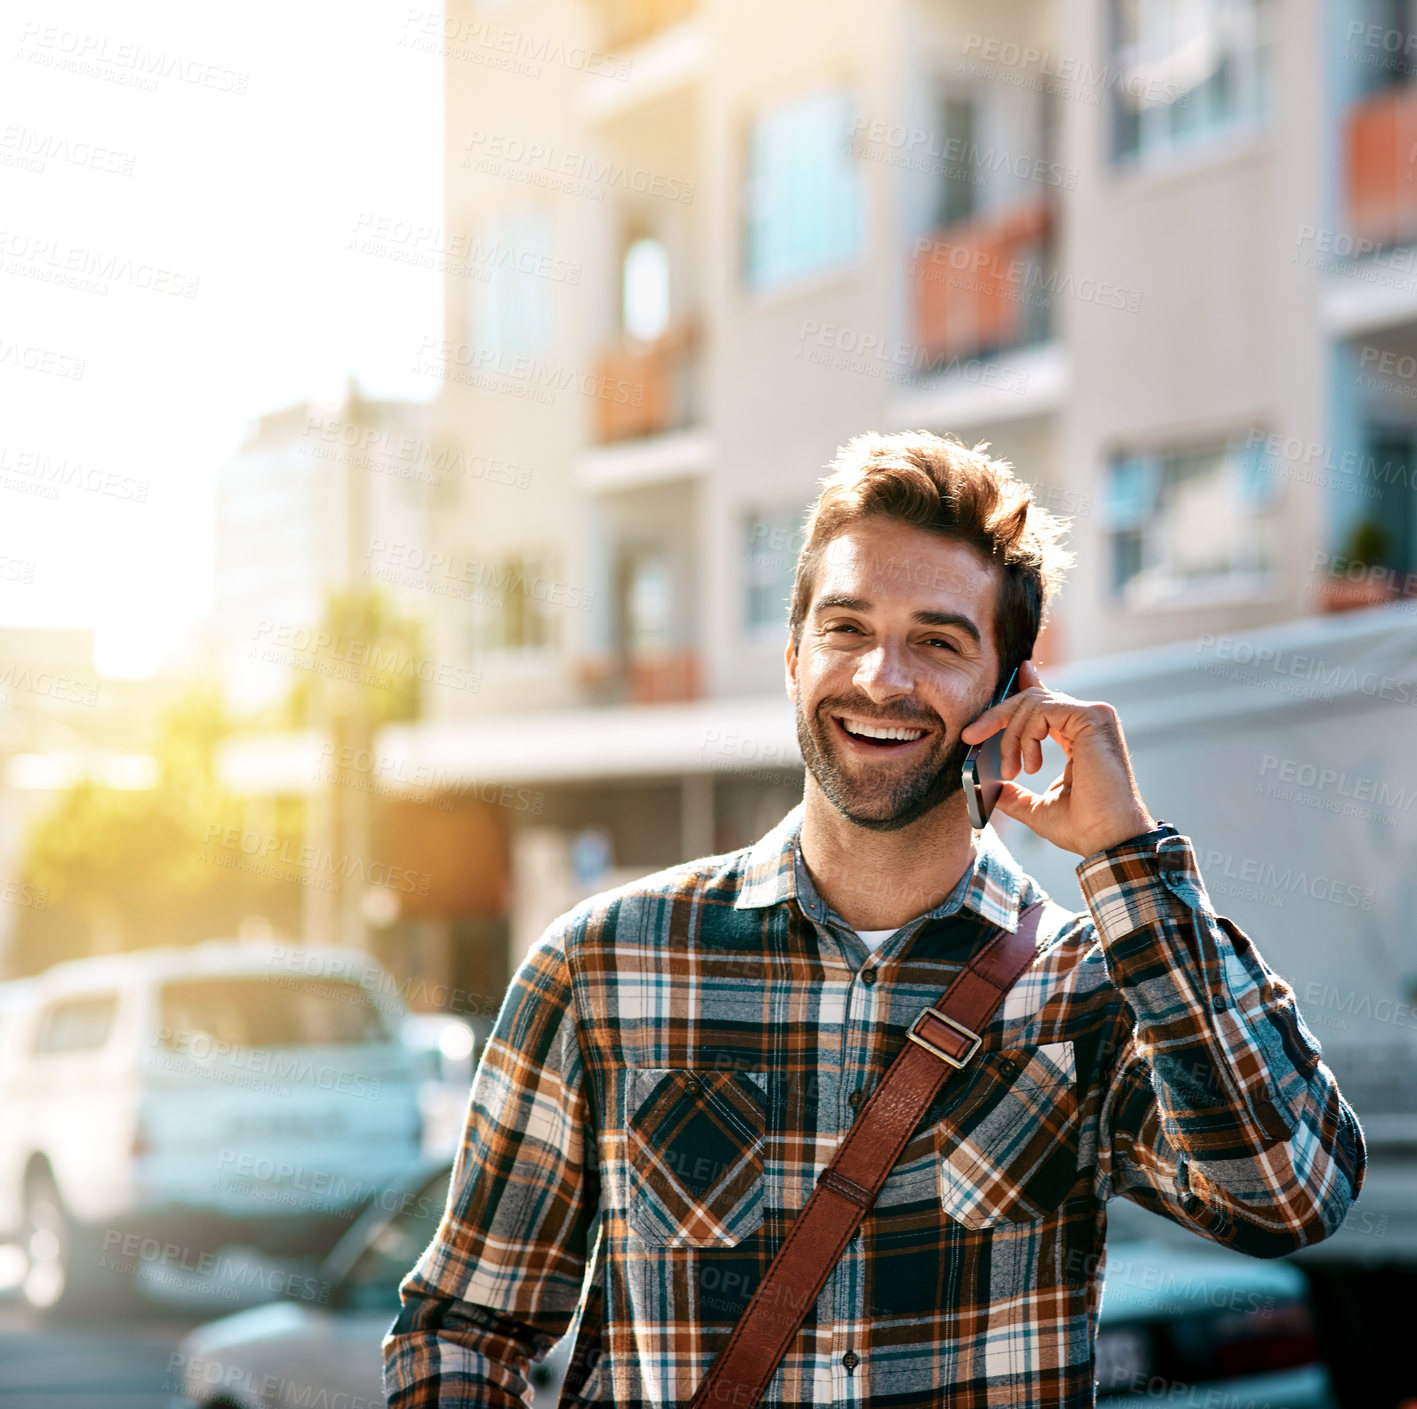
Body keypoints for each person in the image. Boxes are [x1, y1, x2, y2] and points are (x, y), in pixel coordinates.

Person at [383, 430, 1365, 1408]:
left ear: (1011, 690)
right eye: (846, 628)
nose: (881, 677)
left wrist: (1127, 857)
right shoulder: (602, 965)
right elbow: (463, 1332)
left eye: (937, 641)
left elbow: (1287, 1191)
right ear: (792, 658)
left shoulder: (1087, 988)